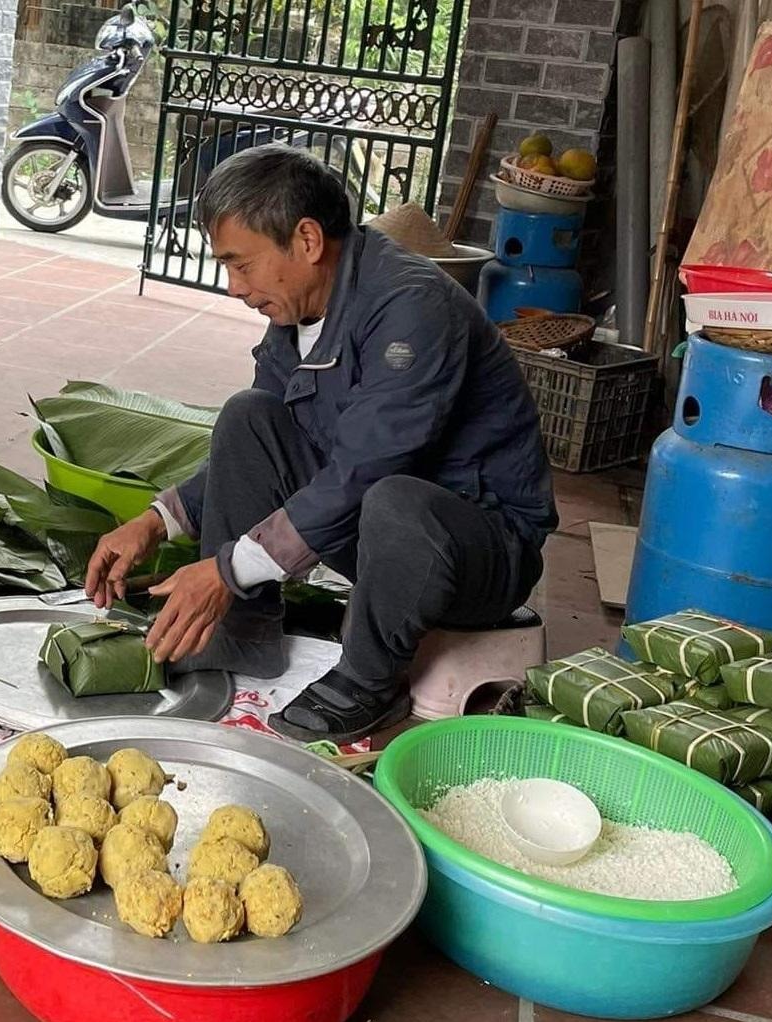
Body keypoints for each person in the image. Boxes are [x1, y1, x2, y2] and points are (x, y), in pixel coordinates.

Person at [85, 144, 558, 745]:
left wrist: (226, 570)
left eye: (242, 264)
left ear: (306, 241)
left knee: (392, 496)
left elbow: (362, 473)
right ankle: (241, 635)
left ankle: (369, 681)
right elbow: (262, 455)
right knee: (249, 416)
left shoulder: (413, 308)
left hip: (477, 552)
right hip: (378, 530)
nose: (235, 287)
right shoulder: (297, 317)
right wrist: (156, 521)